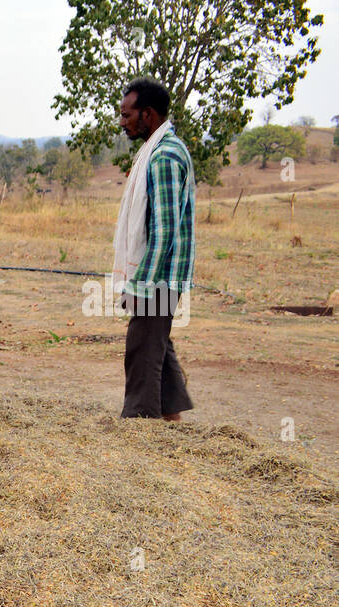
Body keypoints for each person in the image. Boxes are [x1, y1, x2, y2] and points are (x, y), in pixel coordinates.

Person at [112, 77, 195, 421]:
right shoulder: (158, 152)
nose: (122, 121)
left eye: (126, 114)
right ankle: (172, 418)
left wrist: (138, 284)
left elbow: (164, 232)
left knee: (143, 348)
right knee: (157, 345)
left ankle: (141, 424)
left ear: (147, 115)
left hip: (159, 275)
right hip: (161, 273)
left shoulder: (163, 158)